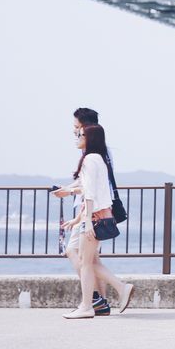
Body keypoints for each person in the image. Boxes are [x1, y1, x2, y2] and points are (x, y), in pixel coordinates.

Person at [58, 123, 134, 319]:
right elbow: (89, 189)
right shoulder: (99, 159)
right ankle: (105, 296)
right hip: (93, 216)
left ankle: (90, 305)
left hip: (93, 218)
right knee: (86, 261)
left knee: (84, 263)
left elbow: (90, 192)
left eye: (80, 134)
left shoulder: (90, 160)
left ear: (90, 139)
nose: (77, 137)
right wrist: (76, 217)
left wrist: (87, 222)